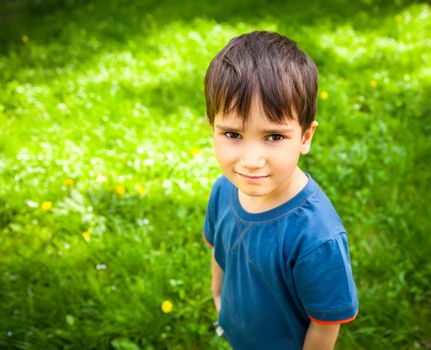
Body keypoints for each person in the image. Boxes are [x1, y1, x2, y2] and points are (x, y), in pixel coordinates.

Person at [201, 31, 358, 350]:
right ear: (212, 128)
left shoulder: (316, 236)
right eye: (232, 134)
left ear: (305, 137)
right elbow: (219, 251)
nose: (251, 160)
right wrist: (218, 299)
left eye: (273, 137)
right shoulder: (223, 190)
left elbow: (325, 322)